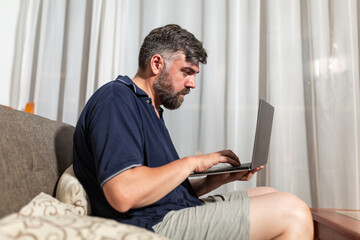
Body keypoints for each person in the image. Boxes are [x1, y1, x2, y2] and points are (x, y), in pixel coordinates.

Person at [73, 24, 313, 239]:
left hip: (169, 211)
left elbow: (162, 189)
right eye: (186, 72)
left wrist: (213, 180)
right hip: (148, 225)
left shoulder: (150, 107)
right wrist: (191, 163)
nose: (192, 84)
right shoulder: (116, 100)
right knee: (293, 212)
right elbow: (123, 193)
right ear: (156, 64)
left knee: (270, 193)